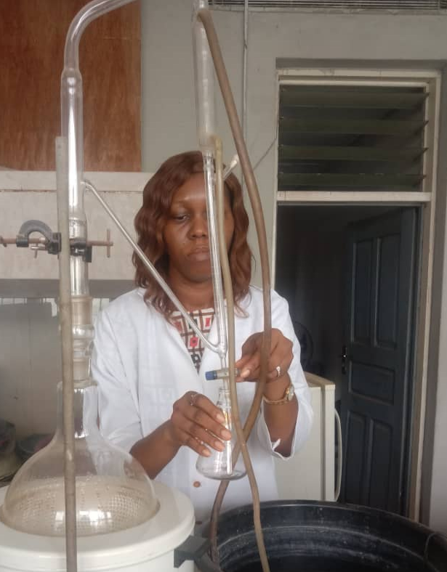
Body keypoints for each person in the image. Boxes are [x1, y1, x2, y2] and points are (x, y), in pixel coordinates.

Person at [92, 151, 312, 523]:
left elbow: (286, 443)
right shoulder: (118, 322)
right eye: (181, 216)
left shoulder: (268, 309)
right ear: (157, 227)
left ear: (233, 225)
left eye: (213, 215)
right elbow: (118, 468)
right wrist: (171, 435)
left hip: (248, 528)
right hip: (157, 529)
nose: (200, 230)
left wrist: (275, 377)